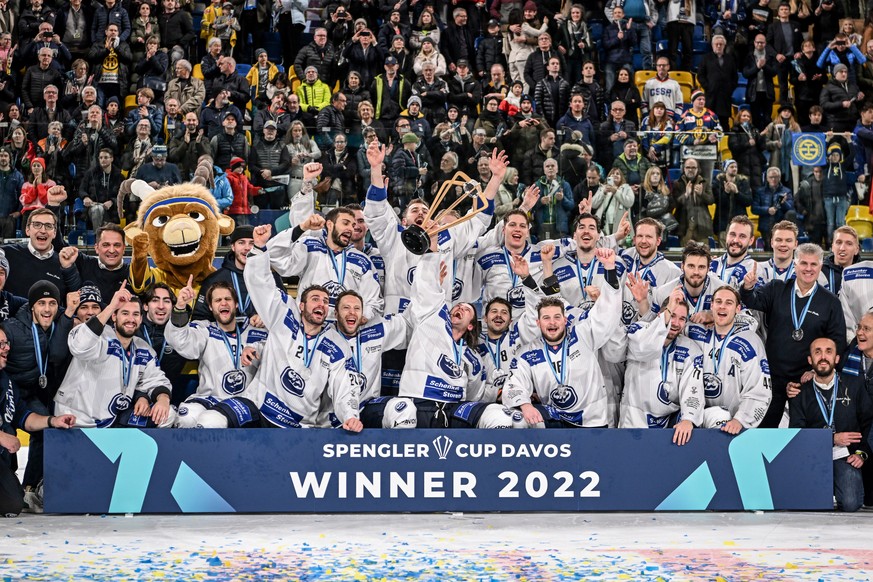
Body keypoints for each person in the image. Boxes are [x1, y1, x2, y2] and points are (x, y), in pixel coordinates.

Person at [197, 224, 362, 430]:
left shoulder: (336, 344)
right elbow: (262, 283)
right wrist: (258, 248)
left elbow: (345, 385)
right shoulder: (285, 315)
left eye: (325, 301)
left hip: (298, 424)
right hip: (259, 407)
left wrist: (350, 415)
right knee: (210, 421)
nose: (321, 304)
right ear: (301, 305)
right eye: (315, 299)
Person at [388, 240, 514, 430]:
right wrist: (432, 248)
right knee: (403, 412)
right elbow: (426, 291)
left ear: (471, 326)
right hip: (418, 403)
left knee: (500, 417)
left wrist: (499, 393)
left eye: (467, 310)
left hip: (453, 409)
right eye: (458, 306)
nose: (460, 308)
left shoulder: (473, 358)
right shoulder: (431, 322)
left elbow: (476, 394)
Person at [503, 247, 621, 428]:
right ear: (538, 322)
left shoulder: (583, 334)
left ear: (565, 320)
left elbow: (606, 315)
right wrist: (526, 405)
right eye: (546, 318)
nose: (552, 323)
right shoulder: (528, 353)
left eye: (557, 317)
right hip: (555, 423)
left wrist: (610, 270)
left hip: (592, 423)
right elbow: (514, 384)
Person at [741, 243, 846, 428]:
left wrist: (814, 371)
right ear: (795, 264)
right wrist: (747, 288)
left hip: (805, 381)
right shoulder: (777, 289)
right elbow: (752, 300)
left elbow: (837, 341)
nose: (808, 269)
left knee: (800, 436)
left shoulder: (830, 302)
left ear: (820, 266)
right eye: (803, 263)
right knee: (765, 432)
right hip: (772, 377)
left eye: (814, 264)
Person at [55, 282, 175, 429]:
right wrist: (112, 305)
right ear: (114, 316)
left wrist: (162, 399)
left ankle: (134, 451)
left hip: (112, 418)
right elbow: (79, 346)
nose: (131, 319)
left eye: (135, 314)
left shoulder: (143, 348)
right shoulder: (97, 335)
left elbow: (156, 379)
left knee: (167, 414)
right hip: (77, 419)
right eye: (124, 313)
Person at [167, 279, 267, 428]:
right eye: (217, 300)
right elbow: (181, 341)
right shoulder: (205, 330)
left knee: (210, 422)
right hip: (208, 398)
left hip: (243, 401)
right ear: (210, 307)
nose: (223, 303)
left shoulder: (255, 330)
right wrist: (180, 307)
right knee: (186, 416)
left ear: (236, 304)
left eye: (228, 299)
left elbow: (276, 351)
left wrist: (268, 321)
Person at [789, 336, 872, 512]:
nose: (823, 357)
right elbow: (797, 435)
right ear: (810, 360)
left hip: (846, 455)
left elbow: (867, 423)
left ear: (837, 359)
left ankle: (842, 485)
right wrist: (832, 438)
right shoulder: (799, 394)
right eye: (817, 352)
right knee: (807, 504)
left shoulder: (855, 386)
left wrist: (861, 453)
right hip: (813, 457)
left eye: (828, 351)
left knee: (850, 504)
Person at [0, 324, 76, 517]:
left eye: (6, 343)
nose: (7, 348)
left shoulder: (6, 381)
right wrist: (1, 437)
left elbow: (25, 417)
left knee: (13, 503)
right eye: (0, 344)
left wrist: (53, 421)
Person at [266, 205, 383, 322]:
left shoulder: (362, 260)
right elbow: (273, 254)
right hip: (308, 326)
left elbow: (373, 300)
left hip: (343, 332)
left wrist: (358, 321)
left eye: (352, 225)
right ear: (330, 225)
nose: (351, 229)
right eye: (345, 223)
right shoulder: (309, 246)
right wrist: (302, 228)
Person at [621, 288, 704, 441]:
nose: (676, 323)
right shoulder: (639, 331)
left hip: (670, 424)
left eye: (682, 319)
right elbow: (645, 346)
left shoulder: (690, 349)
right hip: (634, 421)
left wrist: (689, 419)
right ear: (661, 315)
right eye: (672, 315)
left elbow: (693, 386)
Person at [687, 285, 772, 432]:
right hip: (693, 413)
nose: (722, 307)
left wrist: (741, 420)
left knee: (720, 418)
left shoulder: (749, 342)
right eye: (718, 302)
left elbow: (759, 389)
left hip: (730, 421)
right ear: (711, 306)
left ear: (737, 309)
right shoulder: (695, 333)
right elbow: (668, 329)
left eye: (729, 303)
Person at [1, 208, 81, 299]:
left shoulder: (65, 263)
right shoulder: (6, 254)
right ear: (27, 230)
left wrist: (69, 269)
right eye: (37, 225)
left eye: (48, 226)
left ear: (54, 233)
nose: (43, 230)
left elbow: (77, 298)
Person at [644, 242, 726, 323]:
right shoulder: (664, 292)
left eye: (701, 267)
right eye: (691, 266)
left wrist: (714, 315)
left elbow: (738, 317)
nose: (696, 272)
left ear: (708, 268)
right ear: (682, 266)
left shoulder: (723, 290)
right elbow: (649, 325)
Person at [620, 217, 681, 324]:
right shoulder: (625, 256)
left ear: (658, 241)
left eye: (648, 237)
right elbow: (597, 248)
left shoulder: (672, 272)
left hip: (648, 333)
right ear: (634, 240)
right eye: (640, 236)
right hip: (619, 331)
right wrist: (617, 236)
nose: (643, 241)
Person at [74, 223, 128, 302]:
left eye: (117, 245)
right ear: (96, 248)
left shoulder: (134, 273)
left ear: (124, 248)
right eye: (106, 245)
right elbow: (58, 244)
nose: (112, 250)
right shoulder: (84, 263)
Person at [697, 35, 739, 128]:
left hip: (725, 97)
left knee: (724, 123)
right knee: (709, 122)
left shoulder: (730, 59)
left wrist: (730, 89)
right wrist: (708, 87)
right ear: (712, 45)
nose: (719, 46)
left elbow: (734, 77)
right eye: (717, 44)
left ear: (724, 46)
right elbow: (700, 75)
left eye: (721, 44)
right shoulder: (706, 58)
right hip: (711, 96)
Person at [710, 215, 758, 289]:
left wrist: (748, 289)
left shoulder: (755, 270)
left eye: (742, 236)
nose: (735, 240)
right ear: (726, 236)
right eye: (732, 234)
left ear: (751, 240)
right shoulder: (712, 265)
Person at [752, 167, 795, 249]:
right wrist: (767, 210)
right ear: (767, 178)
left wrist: (783, 203)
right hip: (765, 226)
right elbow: (754, 209)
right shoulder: (760, 191)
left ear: (779, 178)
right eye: (771, 177)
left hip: (780, 226)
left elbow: (791, 209)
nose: (773, 179)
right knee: (768, 248)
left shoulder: (786, 191)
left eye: (776, 177)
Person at [641, 56, 684, 120]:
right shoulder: (649, 83)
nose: (661, 67)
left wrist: (675, 118)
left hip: (669, 117)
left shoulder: (675, 84)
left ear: (668, 67)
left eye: (664, 65)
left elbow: (679, 103)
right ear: (656, 67)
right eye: (659, 65)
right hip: (652, 118)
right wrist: (646, 116)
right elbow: (644, 103)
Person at [822, 225, 859, 294]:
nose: (842, 248)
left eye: (849, 244)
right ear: (832, 247)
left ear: (856, 250)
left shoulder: (862, 273)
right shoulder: (820, 271)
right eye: (839, 242)